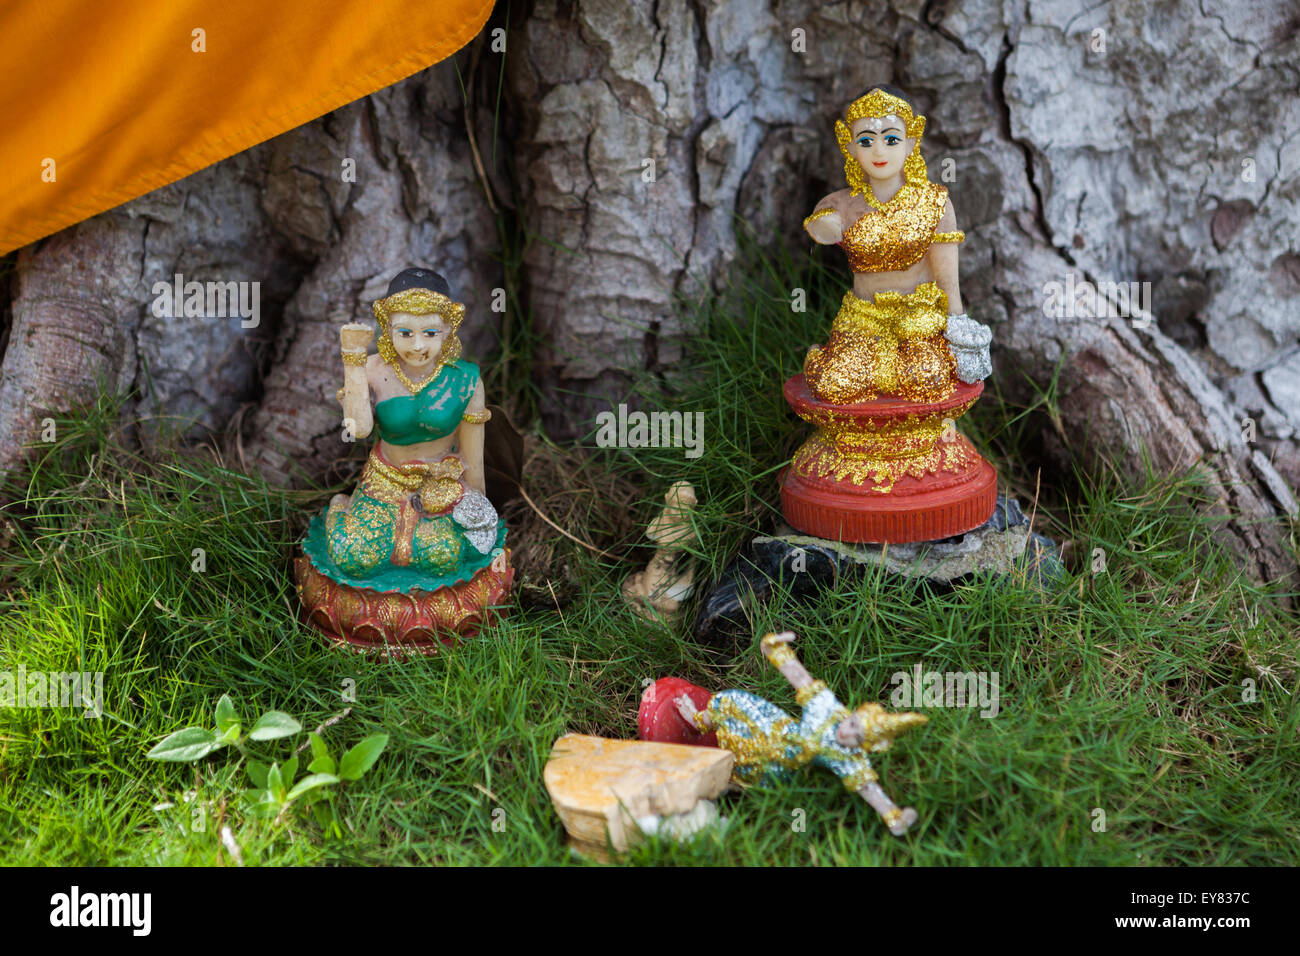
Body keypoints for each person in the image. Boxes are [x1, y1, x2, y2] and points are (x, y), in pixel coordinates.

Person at [298, 268, 504, 592]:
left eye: (431, 333)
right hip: (385, 480)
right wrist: (353, 359)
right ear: (388, 328)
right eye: (405, 333)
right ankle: (341, 506)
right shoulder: (374, 369)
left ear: (448, 329)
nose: (418, 345)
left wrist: (478, 503)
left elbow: (471, 454)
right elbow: (359, 428)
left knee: (443, 560)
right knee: (355, 558)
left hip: (438, 485)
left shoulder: (465, 379)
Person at [802, 85, 988, 405]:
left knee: (926, 381)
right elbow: (823, 222)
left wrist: (957, 321)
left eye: (890, 140)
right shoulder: (845, 205)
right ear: (850, 146)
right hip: (863, 320)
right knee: (836, 385)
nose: (878, 152)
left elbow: (946, 275)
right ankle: (824, 359)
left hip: (917, 319)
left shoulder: (934, 203)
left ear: (911, 142)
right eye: (866, 141)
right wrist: (828, 225)